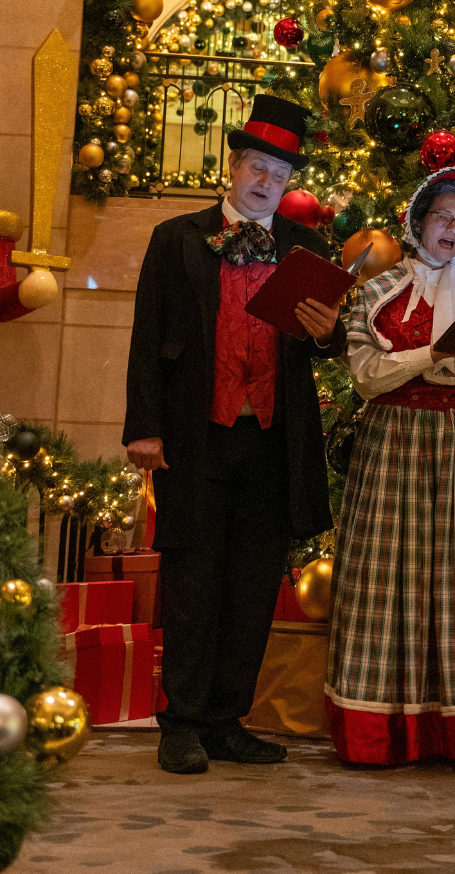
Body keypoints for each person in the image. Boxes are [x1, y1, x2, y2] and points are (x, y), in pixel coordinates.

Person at [124, 93, 346, 775]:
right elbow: (145, 337)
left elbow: (331, 339)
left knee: (253, 585)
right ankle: (181, 722)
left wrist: (326, 330)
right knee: (194, 580)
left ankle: (227, 720)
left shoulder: (305, 248)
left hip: (274, 443)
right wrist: (144, 428)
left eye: (278, 177)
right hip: (196, 435)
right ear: (233, 165)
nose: (264, 184)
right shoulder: (177, 238)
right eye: (256, 168)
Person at [326, 166, 455, 764]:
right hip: (395, 444)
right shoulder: (376, 291)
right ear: (418, 222)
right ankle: (382, 730)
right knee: (388, 582)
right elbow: (365, 378)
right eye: (441, 217)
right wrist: (429, 354)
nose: (451, 229)